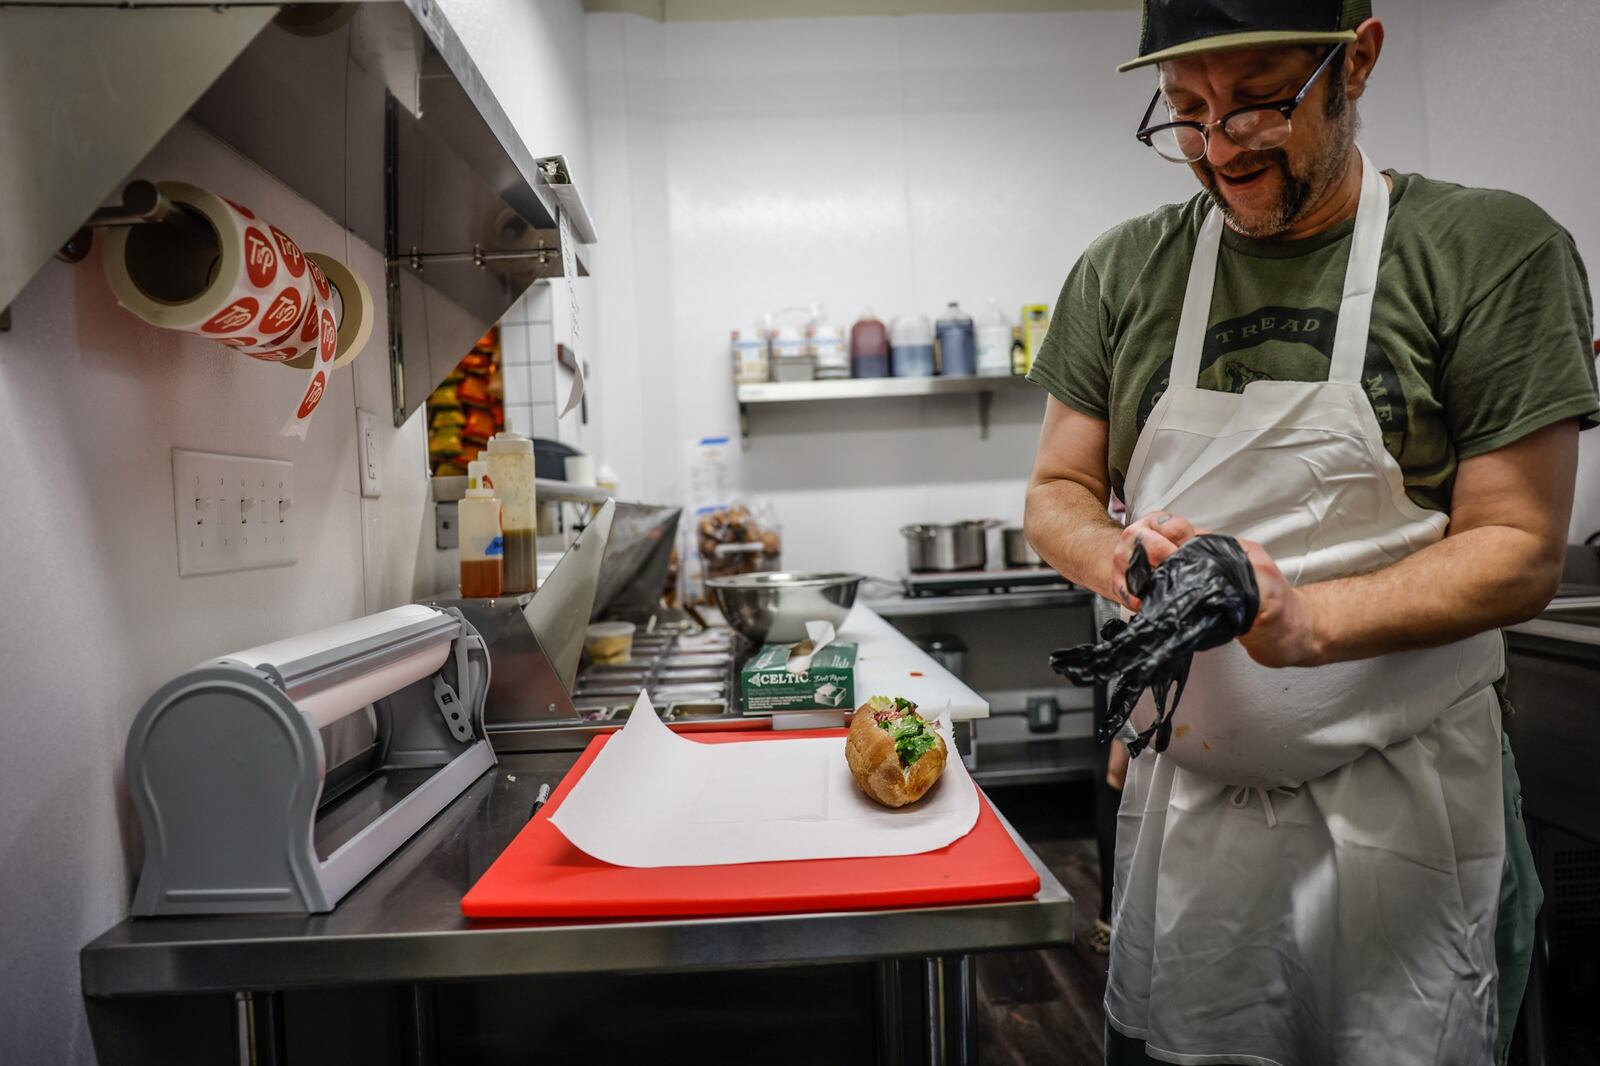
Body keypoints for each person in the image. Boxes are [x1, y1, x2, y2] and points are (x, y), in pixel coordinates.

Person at [1022, 3, 1598, 1064]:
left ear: (1358, 61)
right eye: (1187, 114)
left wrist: (1304, 619)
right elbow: (1056, 487)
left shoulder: (1487, 251)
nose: (1217, 149)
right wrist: (1121, 558)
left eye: (1255, 104)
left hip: (1415, 812)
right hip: (1187, 818)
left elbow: (1517, 545)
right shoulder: (1121, 269)